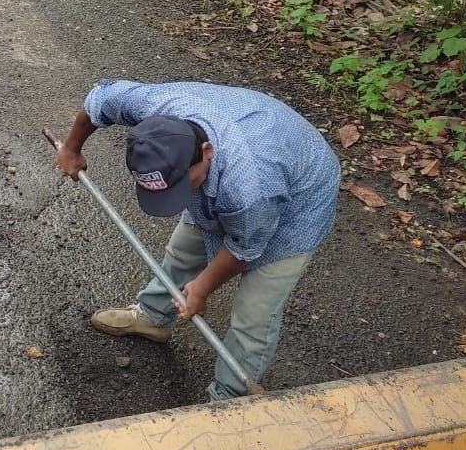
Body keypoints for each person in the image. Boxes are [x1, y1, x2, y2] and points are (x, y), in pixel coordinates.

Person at [55, 79, 341, 400]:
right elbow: (100, 100)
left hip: (301, 196)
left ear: (206, 152)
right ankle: (154, 316)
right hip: (246, 151)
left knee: (255, 312)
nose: (180, 195)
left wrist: (202, 289)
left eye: (183, 184)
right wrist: (71, 148)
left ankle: (229, 396)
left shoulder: (250, 188)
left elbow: (244, 248)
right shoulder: (151, 105)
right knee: (183, 251)